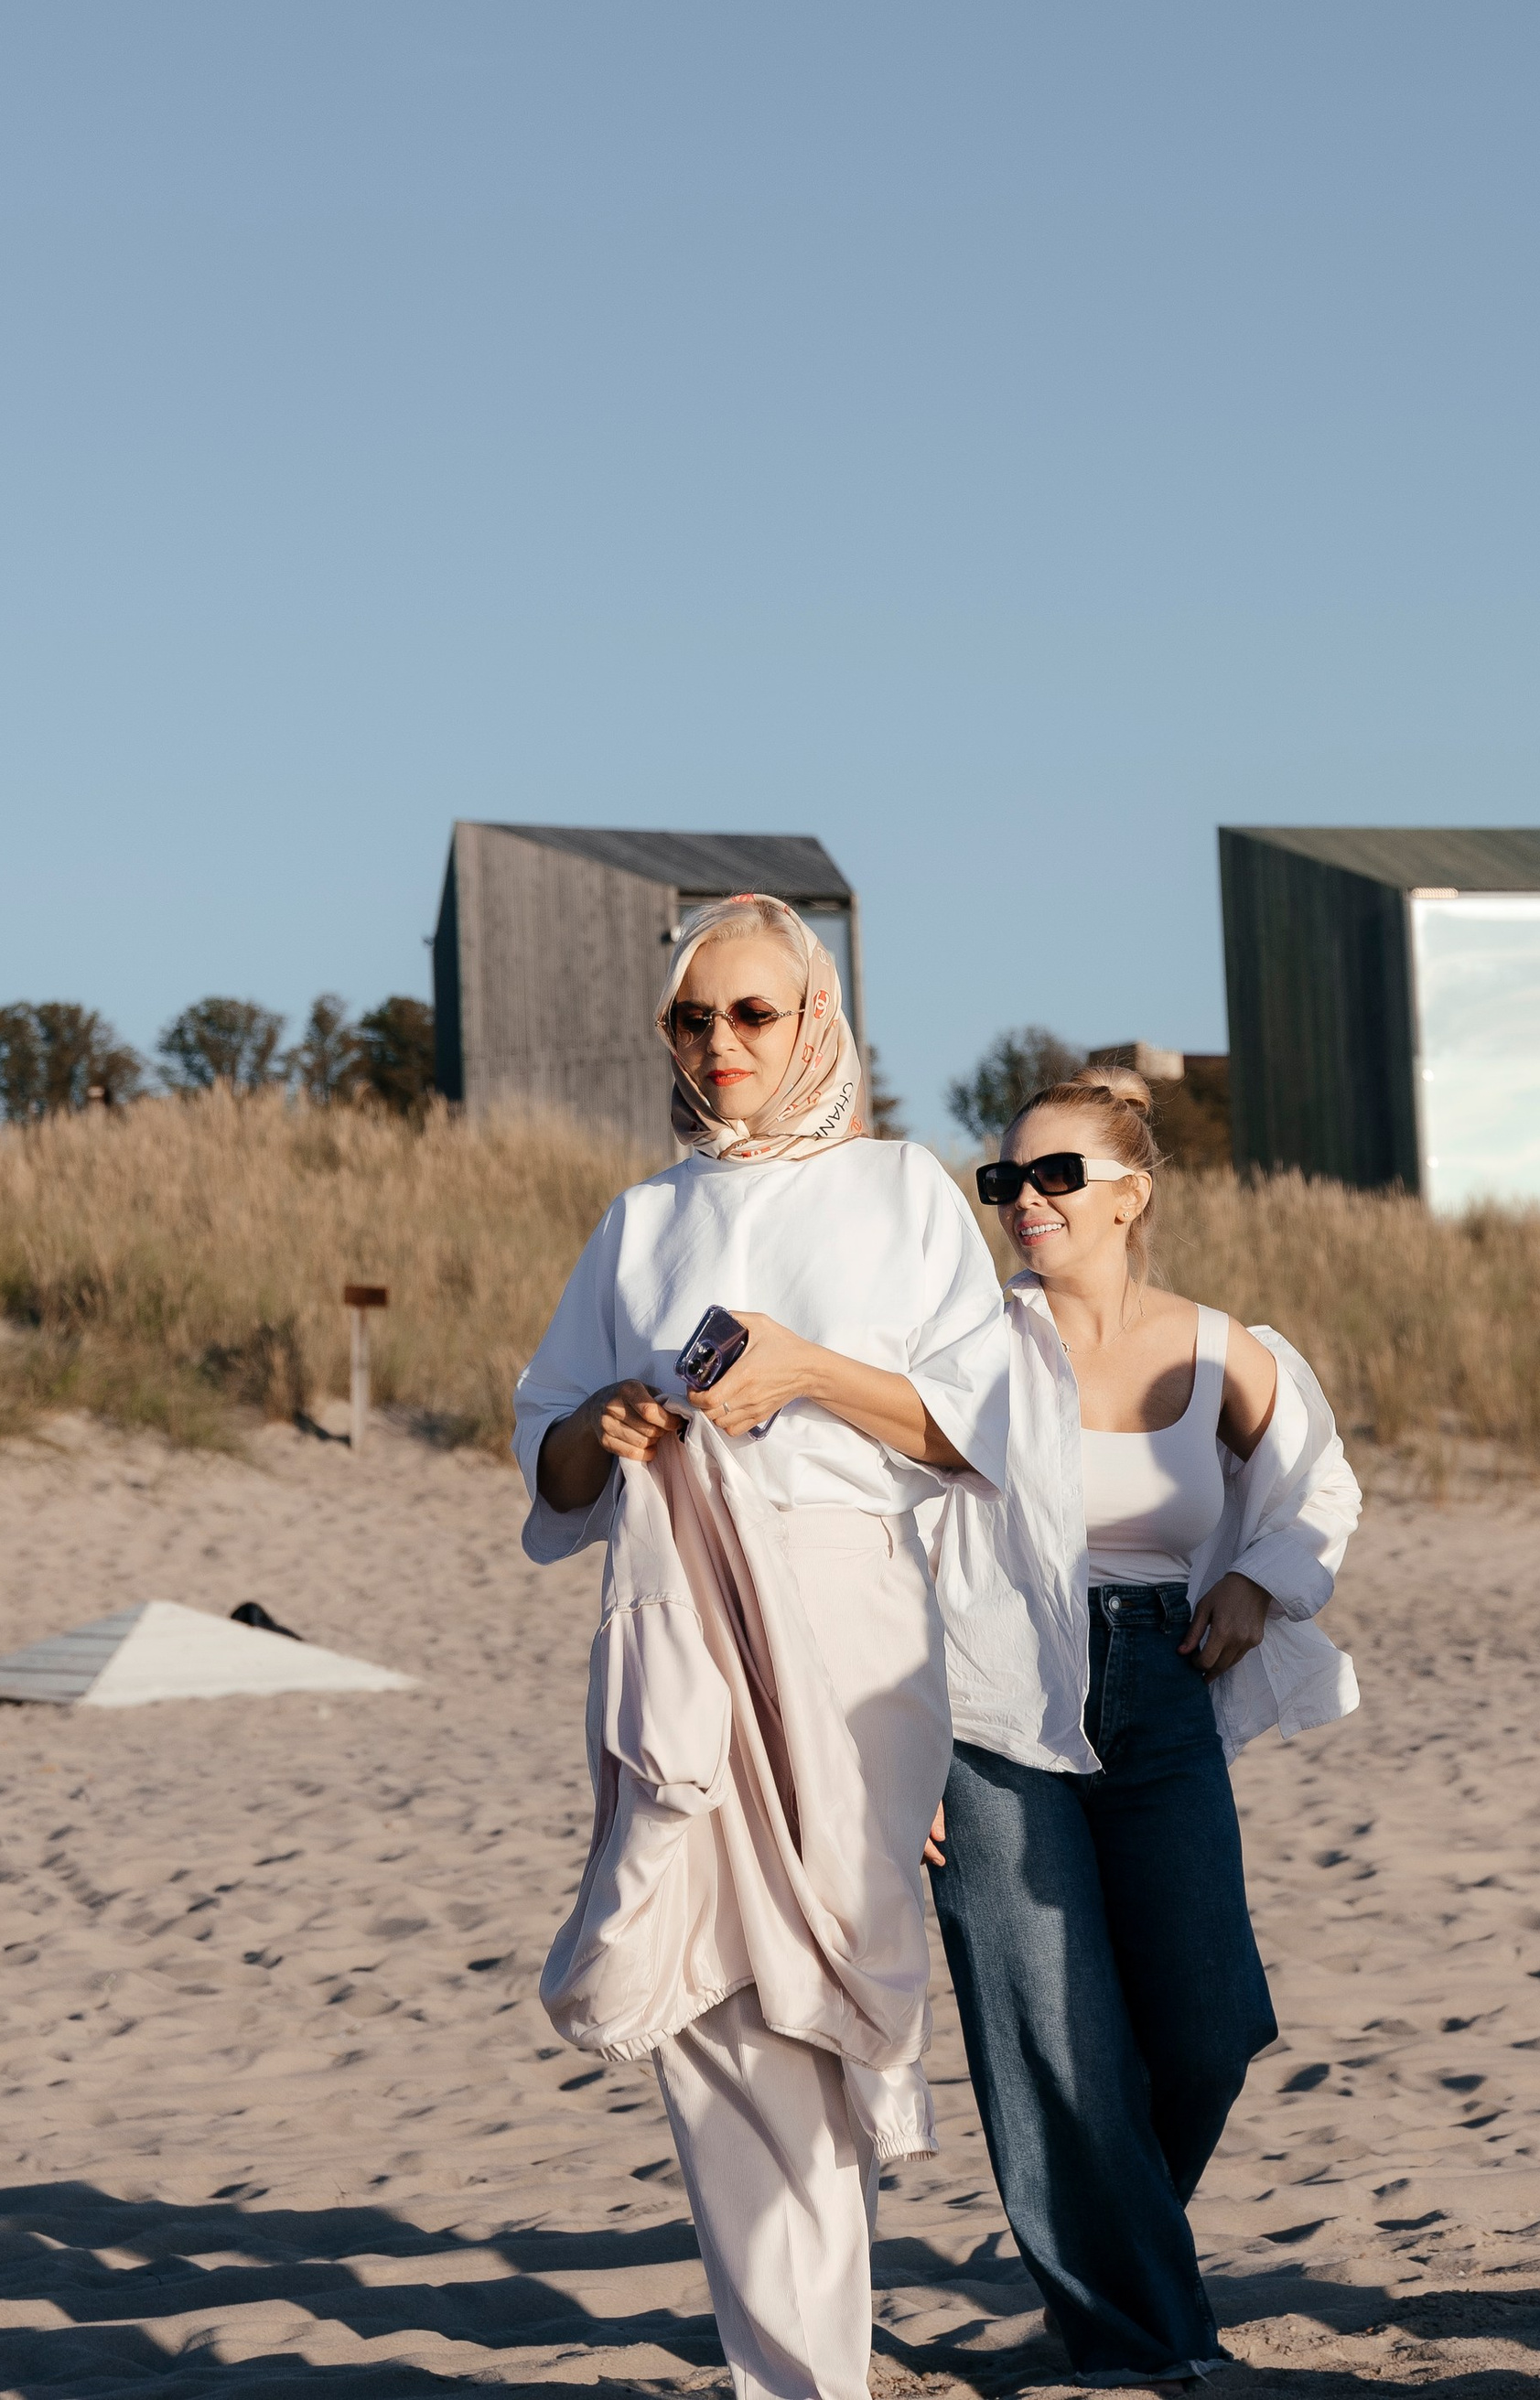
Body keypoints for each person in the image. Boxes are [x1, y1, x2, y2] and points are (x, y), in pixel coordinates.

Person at [515, 893, 1011, 2400]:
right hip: (680, 1622)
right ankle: (794, 2380)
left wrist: (805, 1372)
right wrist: (597, 1438)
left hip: (853, 1629)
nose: (721, 1045)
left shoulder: (902, 1190)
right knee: (710, 1996)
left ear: (819, 1022)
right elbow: (544, 1460)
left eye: (753, 1014)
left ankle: (821, 2359)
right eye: (692, 1018)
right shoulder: (643, 1218)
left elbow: (980, 1434)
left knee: (828, 1990)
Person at [930, 1065, 1362, 2390]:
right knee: (1051, 2031)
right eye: (1004, 1180)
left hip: (1157, 1681)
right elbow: (876, 1533)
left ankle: (1111, 2260)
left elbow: (1317, 1494)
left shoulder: (1225, 1348)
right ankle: (1148, 2347)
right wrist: (888, 1755)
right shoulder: (959, 1345)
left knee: (1207, 2024)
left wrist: (1256, 1580)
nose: (1024, 1202)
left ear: (1133, 1195)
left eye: (1056, 1176)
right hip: (986, 1696)